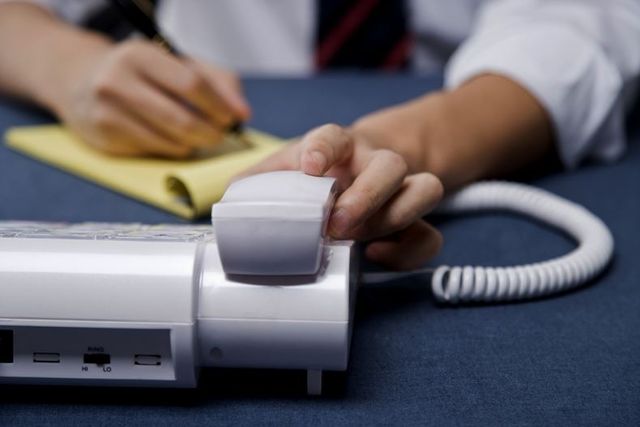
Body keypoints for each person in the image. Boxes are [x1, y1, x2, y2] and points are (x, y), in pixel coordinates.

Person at [0, 0, 639, 270]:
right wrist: (68, 65)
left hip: (452, 102)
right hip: (212, 103)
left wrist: (416, 141)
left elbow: (581, 25)